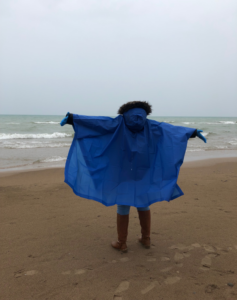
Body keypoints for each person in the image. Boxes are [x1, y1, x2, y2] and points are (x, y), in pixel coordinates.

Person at [60, 101, 206, 252]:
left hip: (120, 171)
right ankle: (146, 239)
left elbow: (98, 123)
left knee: (122, 203)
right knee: (143, 201)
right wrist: (192, 132)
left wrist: (72, 118)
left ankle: (121, 242)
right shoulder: (152, 126)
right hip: (144, 171)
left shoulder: (117, 123)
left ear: (125, 112)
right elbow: (171, 131)